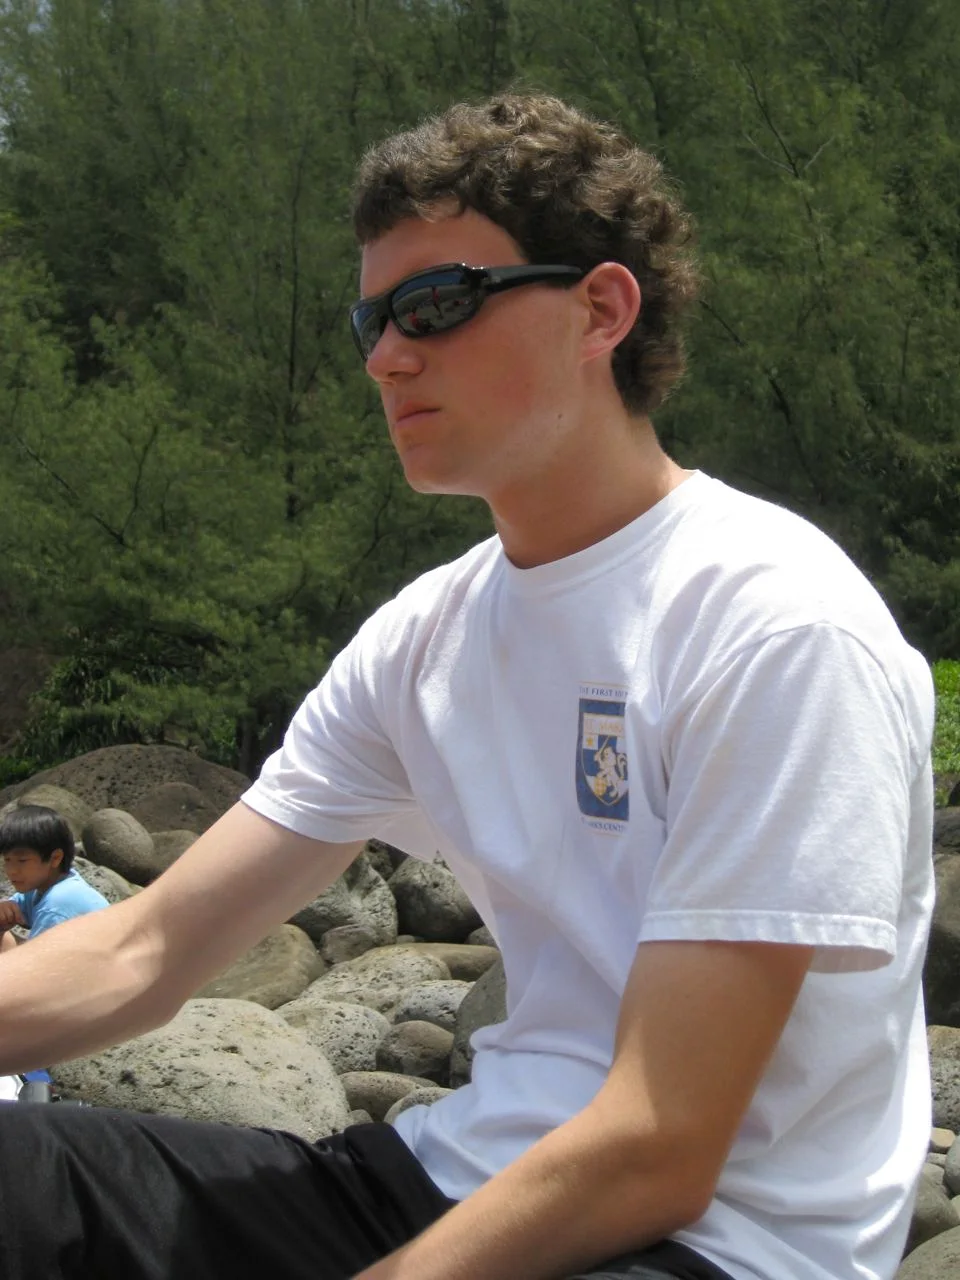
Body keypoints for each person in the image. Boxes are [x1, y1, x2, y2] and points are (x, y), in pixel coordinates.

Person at [0, 93, 934, 1280]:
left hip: (710, 1243)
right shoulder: (423, 640)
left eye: (436, 304)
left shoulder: (774, 623)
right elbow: (145, 948)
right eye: (372, 319)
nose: (387, 356)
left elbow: (663, 1139)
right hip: (446, 1181)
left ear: (601, 309)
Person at [0, 804, 108, 952]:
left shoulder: (56, 905)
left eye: (22, 861)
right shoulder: (42, 886)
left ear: (55, 858)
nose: (11, 871)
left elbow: (35, 963)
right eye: (7, 860)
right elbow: (12, 907)